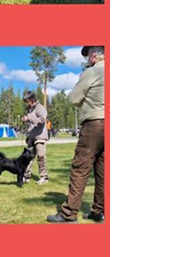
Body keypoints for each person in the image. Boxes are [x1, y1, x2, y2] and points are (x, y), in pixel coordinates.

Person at [48, 46, 105, 223]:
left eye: (88, 54)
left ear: (94, 55)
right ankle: (98, 211)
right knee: (103, 172)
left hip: (94, 124)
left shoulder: (92, 72)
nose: (87, 58)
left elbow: (73, 99)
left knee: (80, 168)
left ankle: (69, 213)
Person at [21, 90, 49, 184]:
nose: (26, 103)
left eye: (27, 101)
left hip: (40, 136)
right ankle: (26, 176)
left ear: (32, 99)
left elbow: (42, 120)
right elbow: (30, 123)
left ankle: (44, 178)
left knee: (41, 157)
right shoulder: (28, 109)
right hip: (31, 136)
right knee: (28, 157)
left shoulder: (40, 108)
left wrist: (29, 118)